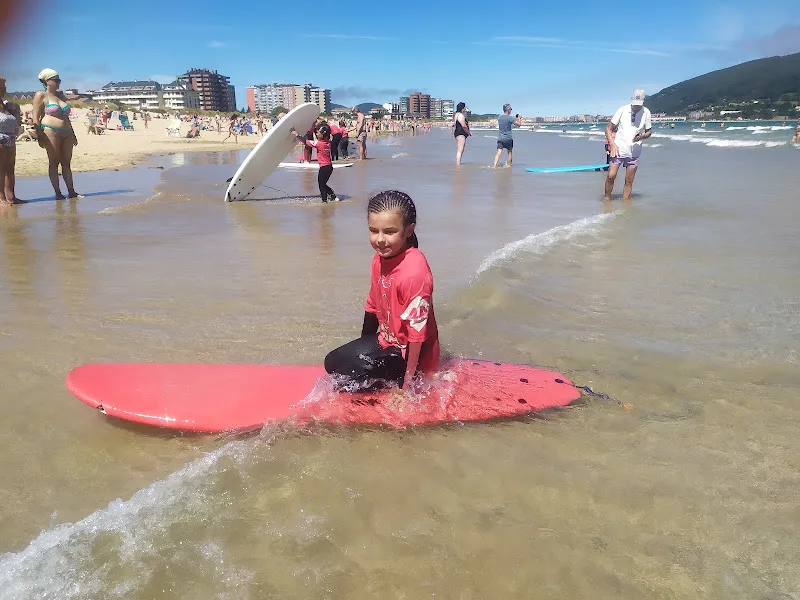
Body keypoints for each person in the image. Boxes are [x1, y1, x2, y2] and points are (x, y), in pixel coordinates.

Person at [324, 190, 439, 394]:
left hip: (410, 355)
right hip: (387, 341)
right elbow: (372, 306)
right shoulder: (378, 260)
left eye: (389, 231)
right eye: (373, 230)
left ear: (409, 230)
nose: (380, 240)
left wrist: (407, 389)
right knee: (333, 364)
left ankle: (399, 381)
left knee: (348, 381)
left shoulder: (414, 273)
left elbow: (417, 336)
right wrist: (362, 349)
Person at [33, 68, 81, 199]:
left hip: (67, 132)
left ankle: (71, 192)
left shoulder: (60, 96)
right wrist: (39, 134)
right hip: (50, 130)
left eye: (59, 80)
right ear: (47, 81)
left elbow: (67, 118)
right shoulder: (41, 95)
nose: (59, 83)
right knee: (54, 162)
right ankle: (58, 193)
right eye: (56, 80)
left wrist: (73, 133)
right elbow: (35, 116)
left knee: (66, 163)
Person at [603, 89, 652, 201]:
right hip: (618, 148)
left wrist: (641, 136)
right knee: (611, 176)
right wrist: (612, 144)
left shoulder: (646, 112)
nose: (636, 107)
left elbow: (649, 132)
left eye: (639, 105)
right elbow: (608, 128)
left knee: (629, 180)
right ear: (632, 100)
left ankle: (625, 204)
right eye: (635, 104)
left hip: (634, 151)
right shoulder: (623, 109)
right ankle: (606, 200)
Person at [292, 123, 340, 203]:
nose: (316, 134)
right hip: (329, 167)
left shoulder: (319, 144)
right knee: (323, 183)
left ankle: (324, 201)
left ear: (323, 134)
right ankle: (332, 195)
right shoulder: (328, 143)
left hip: (324, 168)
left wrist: (296, 134)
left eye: (318, 132)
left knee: (321, 185)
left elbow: (305, 141)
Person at [0, 75, 23, 205]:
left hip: (11, 139)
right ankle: (1, 198)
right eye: (1, 87)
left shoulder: (8, 105)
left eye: (4, 87)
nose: (3, 89)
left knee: (10, 169)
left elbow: (16, 122)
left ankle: (11, 197)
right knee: (1, 170)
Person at [492, 104, 522, 168]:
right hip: (508, 138)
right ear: (508, 109)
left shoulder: (499, 117)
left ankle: (494, 165)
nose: (511, 110)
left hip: (500, 138)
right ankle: (509, 165)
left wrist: (514, 118)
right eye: (510, 109)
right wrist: (519, 118)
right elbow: (519, 124)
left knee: (499, 152)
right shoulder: (510, 118)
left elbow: (507, 121)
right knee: (509, 152)